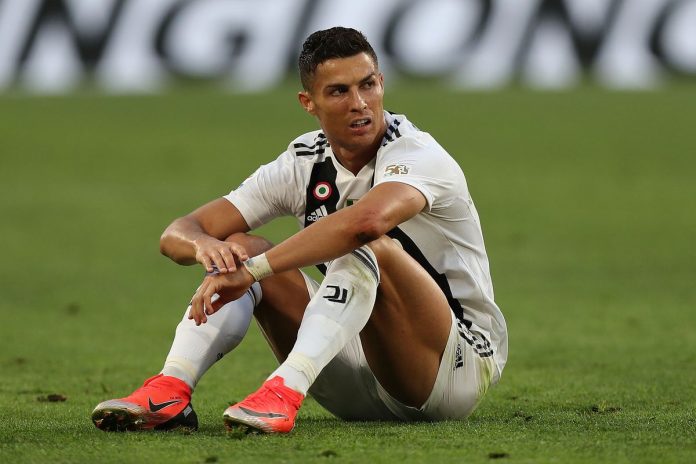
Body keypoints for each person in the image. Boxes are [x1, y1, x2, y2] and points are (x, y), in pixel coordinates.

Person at [91, 26, 507, 434]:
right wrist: (204, 246)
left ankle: (284, 389)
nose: (359, 103)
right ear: (309, 102)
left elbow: (366, 224)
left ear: (381, 83)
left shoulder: (417, 153)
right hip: (353, 376)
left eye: (367, 85)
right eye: (339, 91)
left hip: (451, 372)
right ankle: (170, 388)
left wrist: (253, 270)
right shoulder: (303, 162)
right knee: (237, 246)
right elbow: (177, 233)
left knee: (369, 247)